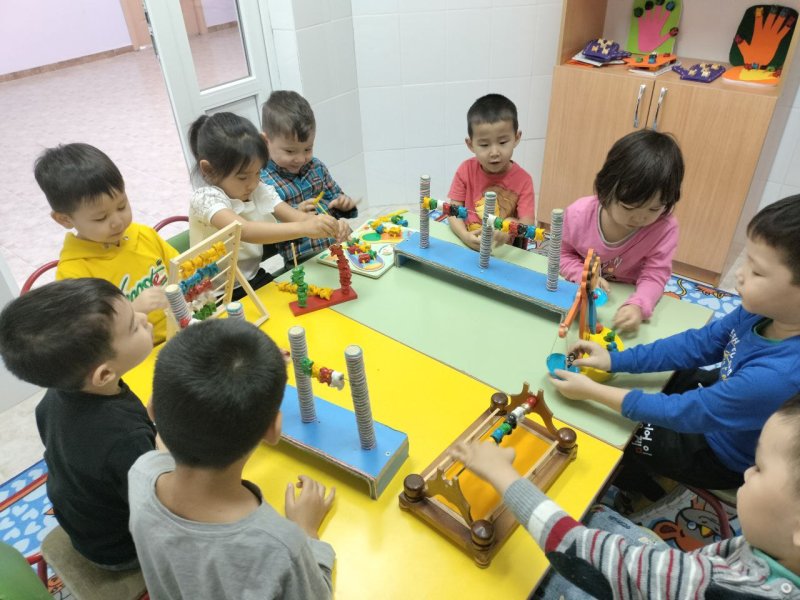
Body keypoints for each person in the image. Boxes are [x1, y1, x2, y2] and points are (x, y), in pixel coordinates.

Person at [551, 194, 800, 498]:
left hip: (716, 453)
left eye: (757, 271)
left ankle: (647, 491)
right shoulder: (763, 311)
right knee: (659, 380)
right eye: (746, 259)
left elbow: (686, 412)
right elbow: (699, 344)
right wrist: (617, 360)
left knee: (614, 431)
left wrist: (592, 392)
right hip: (722, 397)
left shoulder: (778, 376)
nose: (740, 273)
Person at [451, 393, 800, 600]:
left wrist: (503, 475)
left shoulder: (716, 588)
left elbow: (575, 549)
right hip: (681, 571)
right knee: (603, 519)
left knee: (537, 578)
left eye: (759, 468)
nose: (746, 473)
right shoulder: (776, 550)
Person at [129, 319, 336, 599]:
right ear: (273, 430)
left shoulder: (140, 473)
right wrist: (306, 530)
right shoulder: (280, 545)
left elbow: (162, 449)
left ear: (153, 409)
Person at [0, 278, 155, 569]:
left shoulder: (54, 397)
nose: (145, 319)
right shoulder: (125, 439)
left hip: (83, 524)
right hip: (121, 550)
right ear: (104, 374)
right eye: (134, 326)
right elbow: (162, 507)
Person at [188, 111, 344, 300]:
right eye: (243, 177)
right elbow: (244, 230)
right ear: (209, 170)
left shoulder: (257, 189)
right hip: (213, 296)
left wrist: (328, 224)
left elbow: (297, 217)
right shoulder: (205, 198)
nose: (253, 183)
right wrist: (304, 228)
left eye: (257, 173)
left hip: (252, 279)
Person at [34, 143, 177, 343]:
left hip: (181, 331)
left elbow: (181, 269)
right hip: (138, 355)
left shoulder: (144, 235)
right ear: (64, 219)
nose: (117, 222)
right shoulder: (74, 273)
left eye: (122, 206)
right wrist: (132, 310)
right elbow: (87, 337)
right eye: (100, 218)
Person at [560, 129, 685, 333]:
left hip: (629, 295)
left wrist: (638, 305)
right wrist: (583, 275)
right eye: (628, 207)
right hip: (583, 294)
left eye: (654, 209)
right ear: (605, 189)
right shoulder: (578, 215)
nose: (640, 218)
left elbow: (655, 274)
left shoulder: (664, 227)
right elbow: (563, 255)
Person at [260, 90, 357, 267]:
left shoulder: (316, 167)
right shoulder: (262, 182)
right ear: (266, 141)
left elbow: (336, 201)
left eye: (307, 149)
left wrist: (344, 205)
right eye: (290, 151)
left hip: (338, 245)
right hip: (304, 261)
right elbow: (266, 231)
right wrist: (296, 214)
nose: (300, 159)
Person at [447, 93, 535, 251]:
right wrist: (464, 236)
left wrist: (510, 226)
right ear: (471, 144)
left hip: (502, 251)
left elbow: (528, 223)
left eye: (503, 142)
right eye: (484, 145)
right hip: (468, 243)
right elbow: (453, 211)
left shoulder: (524, 180)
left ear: (516, 138)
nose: (494, 152)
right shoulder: (465, 170)